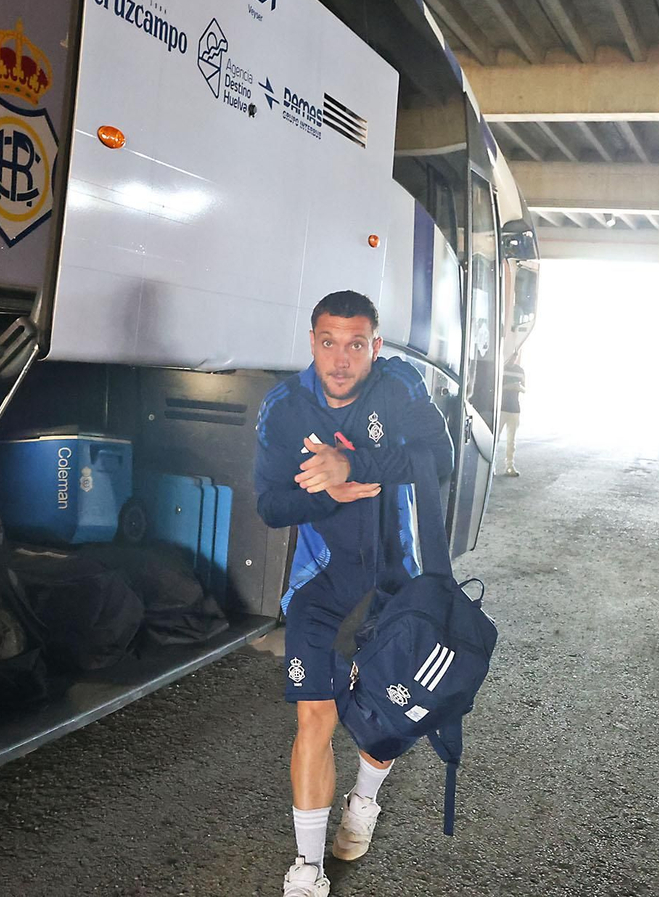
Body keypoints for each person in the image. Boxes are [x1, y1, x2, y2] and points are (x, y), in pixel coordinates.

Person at [254, 290, 455, 897]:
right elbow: (269, 505)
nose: (340, 360)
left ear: (376, 345)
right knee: (314, 716)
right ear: (311, 341)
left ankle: (364, 800)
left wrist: (355, 465)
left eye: (355, 344)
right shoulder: (285, 407)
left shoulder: (400, 388)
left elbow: (438, 459)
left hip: (399, 580)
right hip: (323, 584)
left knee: (390, 714)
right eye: (327, 342)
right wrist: (326, 493)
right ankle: (308, 869)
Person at [499, 356, 525, 477]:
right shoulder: (501, 367)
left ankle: (510, 466)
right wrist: (507, 387)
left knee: (511, 440)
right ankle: (491, 466)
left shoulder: (520, 371)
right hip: (501, 408)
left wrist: (519, 387)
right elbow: (495, 387)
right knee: (495, 439)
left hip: (515, 408)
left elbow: (525, 388)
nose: (514, 358)